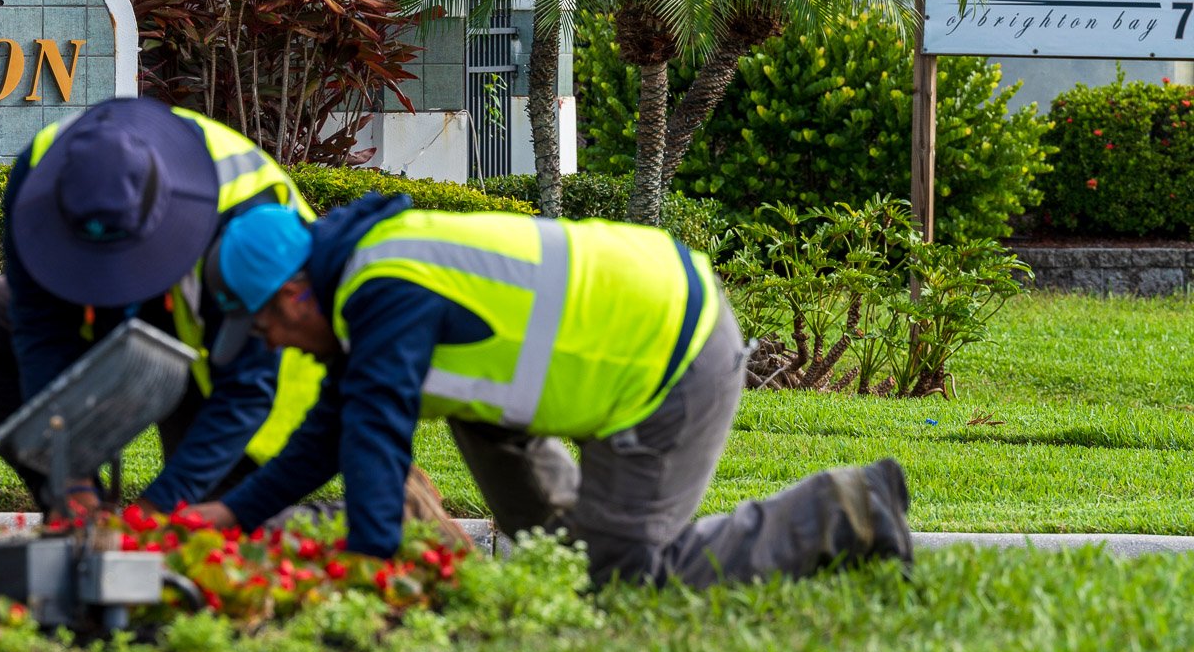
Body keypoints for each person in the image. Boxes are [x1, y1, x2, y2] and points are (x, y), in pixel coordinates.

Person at [189, 194, 913, 587]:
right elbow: (331, 436)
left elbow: (376, 435)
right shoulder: (361, 283)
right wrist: (230, 512)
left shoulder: (385, 287)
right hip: (612, 350)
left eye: (266, 329)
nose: (274, 346)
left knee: (629, 581)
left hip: (668, 359)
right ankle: (566, 563)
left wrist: (374, 570)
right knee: (562, 558)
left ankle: (846, 507)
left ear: (293, 296)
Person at [0, 97, 322, 516]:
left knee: (198, 529)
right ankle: (74, 508)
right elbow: (40, 330)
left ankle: (384, 496)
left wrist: (158, 507)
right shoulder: (38, 177)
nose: (118, 274)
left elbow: (246, 389)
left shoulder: (246, 215)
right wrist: (68, 474)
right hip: (125, 321)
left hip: (242, 357)